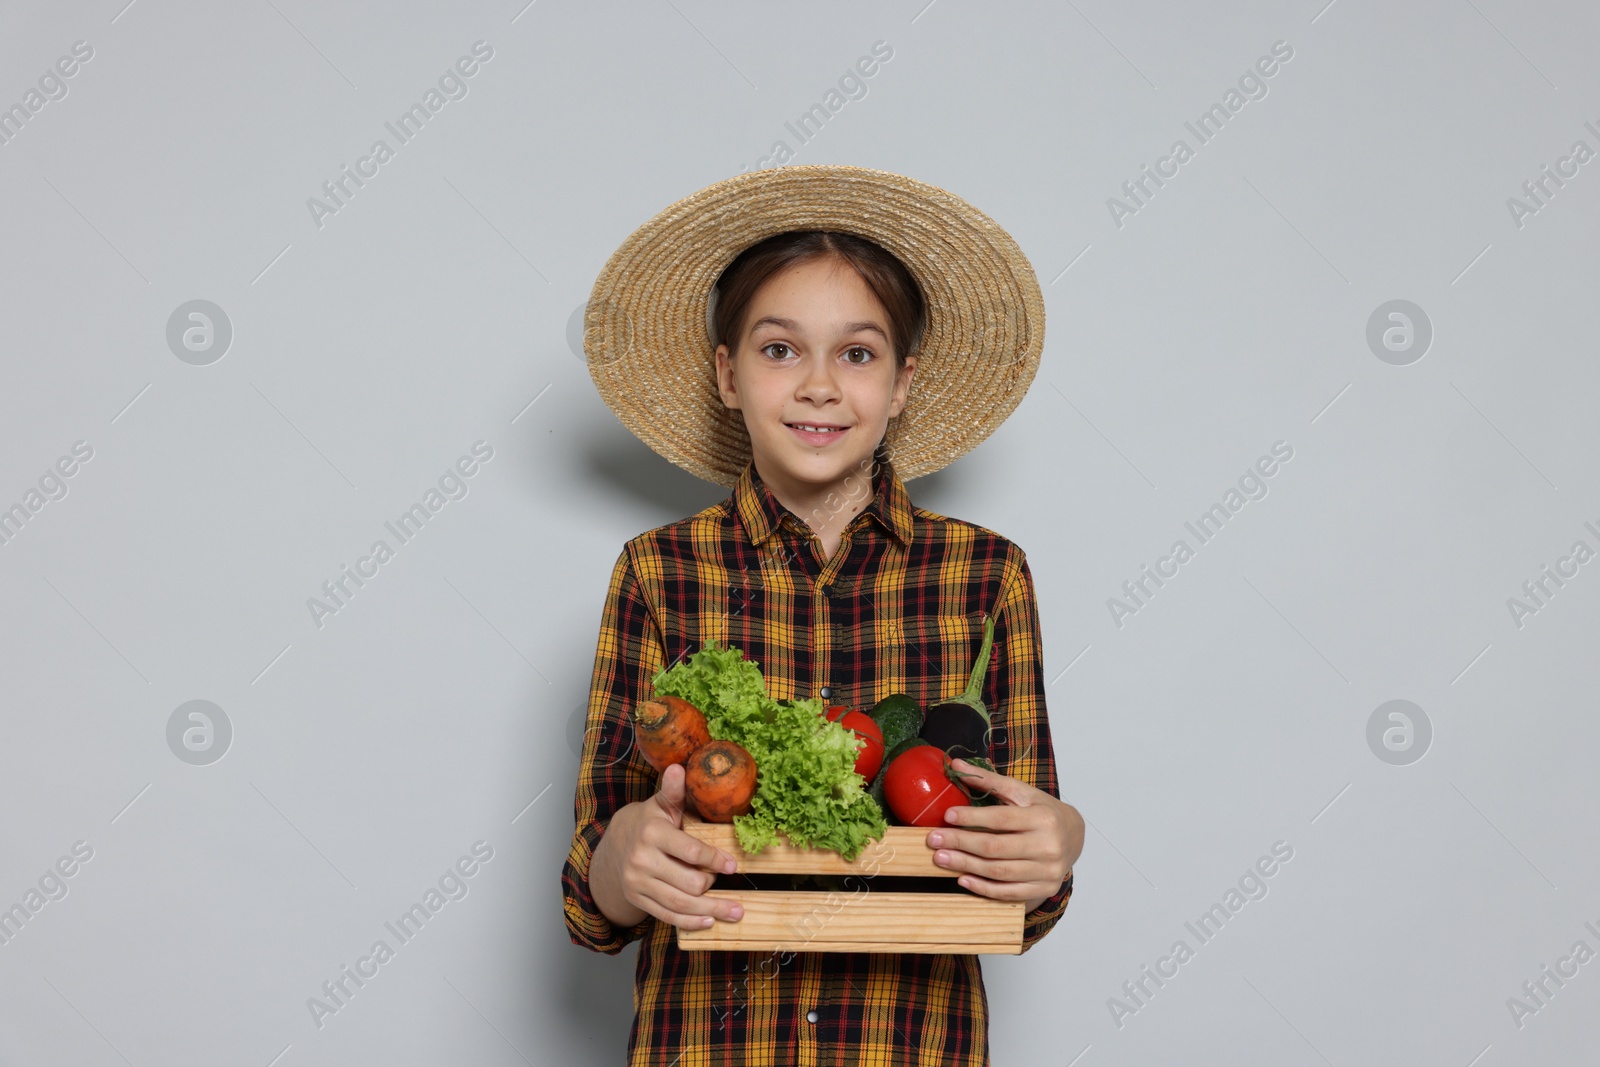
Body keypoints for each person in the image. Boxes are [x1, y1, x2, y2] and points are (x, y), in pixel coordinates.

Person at [562, 164, 1085, 1066]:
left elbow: (1022, 894)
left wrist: (1055, 848)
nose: (817, 385)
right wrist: (624, 856)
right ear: (727, 375)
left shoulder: (986, 575)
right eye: (778, 349)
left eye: (857, 352)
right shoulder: (659, 572)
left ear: (903, 379)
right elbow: (590, 900)